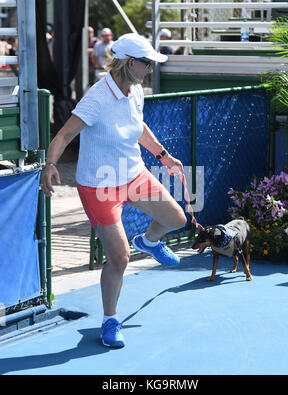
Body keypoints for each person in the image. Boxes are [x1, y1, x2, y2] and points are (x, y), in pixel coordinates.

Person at [41, 33, 186, 349]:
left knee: (177, 219)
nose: (149, 69)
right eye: (146, 63)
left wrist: (163, 155)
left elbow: (140, 128)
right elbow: (64, 135)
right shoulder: (96, 98)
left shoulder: (135, 91)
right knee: (119, 258)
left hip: (134, 175)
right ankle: (110, 319)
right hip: (98, 185)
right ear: (130, 63)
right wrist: (50, 164)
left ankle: (148, 241)